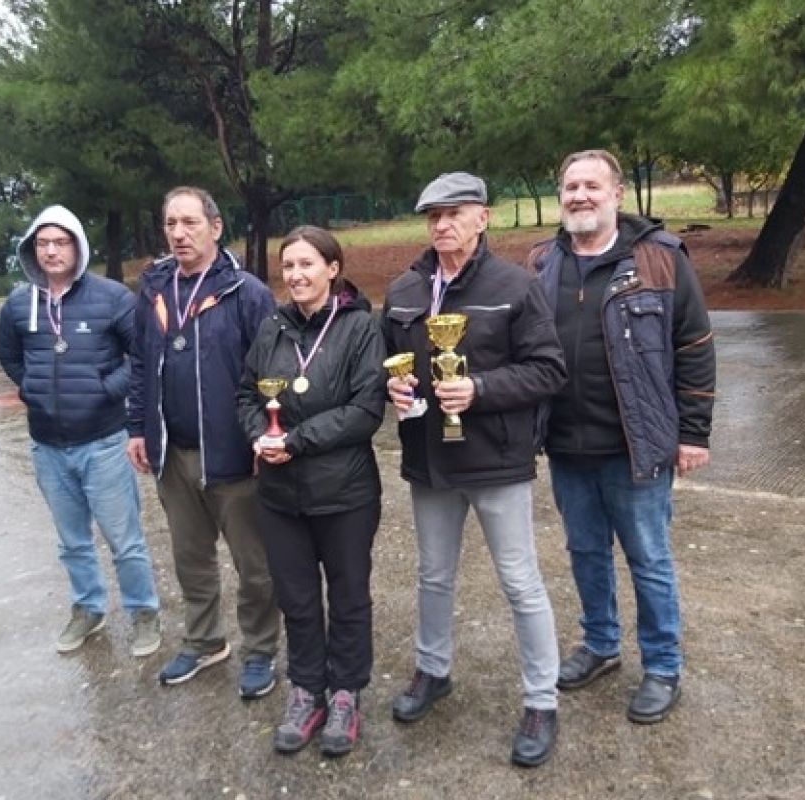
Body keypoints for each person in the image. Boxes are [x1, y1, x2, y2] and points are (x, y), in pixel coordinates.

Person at [381, 172, 567, 767]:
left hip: (496, 459)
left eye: (454, 214)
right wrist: (395, 387)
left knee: (520, 581)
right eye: (433, 216)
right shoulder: (405, 289)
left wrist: (479, 389)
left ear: (482, 218)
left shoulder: (515, 285)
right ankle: (433, 670)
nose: (441, 225)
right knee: (433, 575)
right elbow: (389, 362)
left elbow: (548, 369)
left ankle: (541, 699)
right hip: (429, 460)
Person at [526, 149, 715, 724]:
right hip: (566, 445)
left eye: (592, 185)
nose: (580, 196)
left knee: (648, 558)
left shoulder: (660, 259)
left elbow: (694, 347)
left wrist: (693, 433)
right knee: (585, 552)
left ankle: (663, 666)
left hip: (637, 445)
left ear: (617, 194)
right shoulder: (541, 263)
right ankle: (601, 644)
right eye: (570, 187)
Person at [236, 226, 386, 758]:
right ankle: (306, 691)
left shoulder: (360, 327)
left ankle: (345, 693)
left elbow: (365, 409)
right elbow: (246, 394)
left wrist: (294, 441)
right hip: (280, 497)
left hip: (345, 494)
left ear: (332, 268)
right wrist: (259, 434)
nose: (296, 275)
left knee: (348, 597)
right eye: (289, 266)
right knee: (297, 600)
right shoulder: (271, 328)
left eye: (307, 264)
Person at [127, 186, 281, 699]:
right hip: (173, 455)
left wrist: (265, 438)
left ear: (215, 228)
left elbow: (272, 372)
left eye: (190, 222)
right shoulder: (153, 289)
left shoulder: (246, 292)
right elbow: (140, 363)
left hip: (234, 456)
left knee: (254, 565)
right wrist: (136, 427)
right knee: (190, 559)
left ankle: (260, 649)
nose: (179, 233)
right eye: (171, 223)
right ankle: (205, 640)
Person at [0, 204, 162, 657]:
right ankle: (88, 608)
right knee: (72, 542)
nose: (51, 251)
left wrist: (106, 389)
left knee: (124, 541)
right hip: (48, 447)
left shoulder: (111, 298)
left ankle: (143, 612)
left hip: (104, 443)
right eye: (42, 243)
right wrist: (31, 388)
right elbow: (9, 356)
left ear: (78, 247)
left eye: (60, 242)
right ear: (32, 250)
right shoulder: (18, 304)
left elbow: (143, 355)